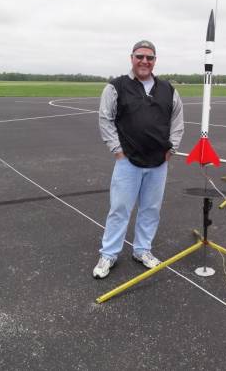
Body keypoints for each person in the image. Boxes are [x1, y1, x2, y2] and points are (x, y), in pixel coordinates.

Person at [93, 40, 184, 279]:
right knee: (119, 209)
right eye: (140, 56)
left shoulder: (168, 90)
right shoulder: (116, 87)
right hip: (128, 161)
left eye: (149, 57)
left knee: (151, 209)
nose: (144, 61)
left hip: (158, 162)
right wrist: (117, 150)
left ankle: (142, 250)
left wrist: (172, 149)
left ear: (155, 61)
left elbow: (177, 122)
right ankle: (109, 254)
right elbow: (105, 119)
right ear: (131, 58)